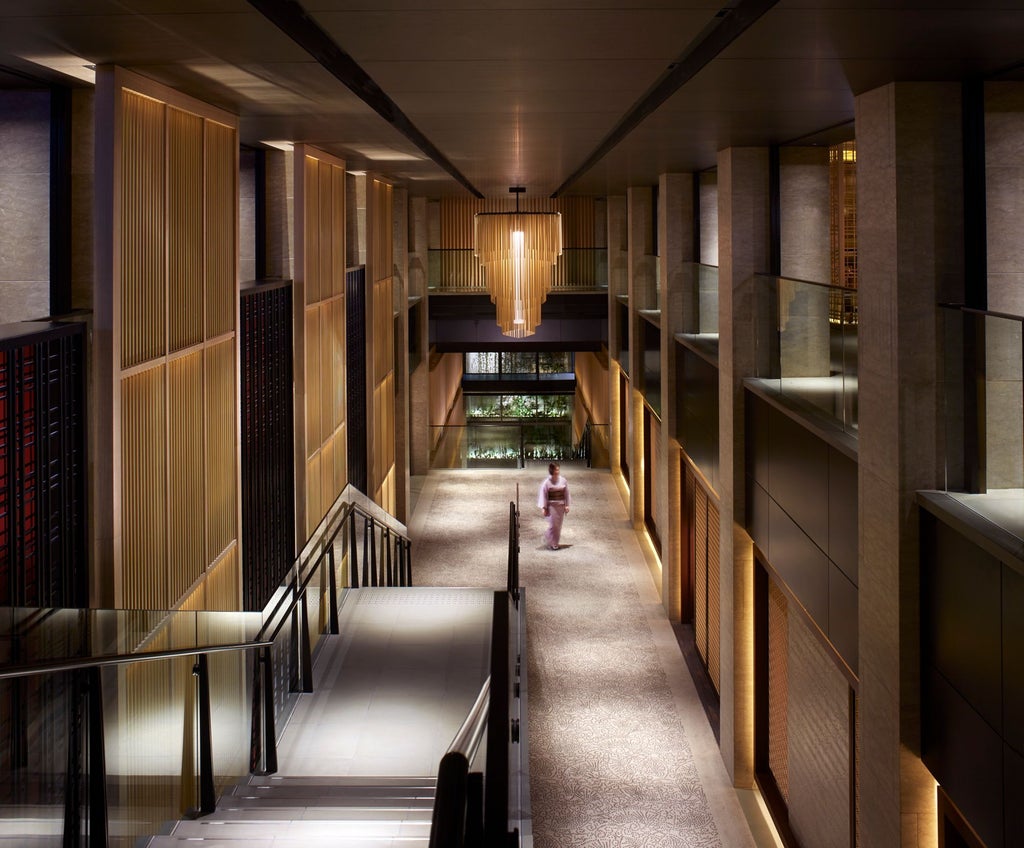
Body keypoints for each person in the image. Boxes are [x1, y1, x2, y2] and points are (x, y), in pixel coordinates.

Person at [537, 462, 570, 550]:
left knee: (558, 526)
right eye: (555, 469)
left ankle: (554, 542)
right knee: (553, 525)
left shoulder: (563, 481)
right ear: (551, 470)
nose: (557, 471)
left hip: (560, 505)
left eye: (558, 469)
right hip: (551, 506)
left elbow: (566, 493)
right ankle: (550, 539)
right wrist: (544, 507)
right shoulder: (547, 483)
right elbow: (543, 495)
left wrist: (567, 505)